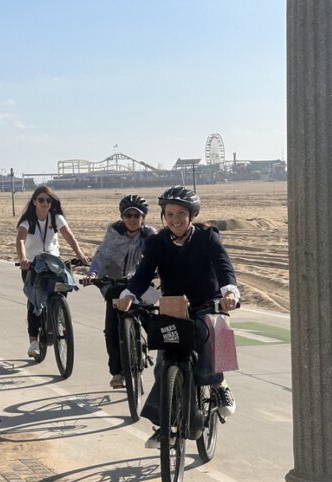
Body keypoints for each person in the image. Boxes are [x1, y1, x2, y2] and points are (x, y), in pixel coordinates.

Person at [114, 186, 239, 448]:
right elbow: (144, 273)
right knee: (164, 362)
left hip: (207, 300)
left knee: (215, 329)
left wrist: (229, 292)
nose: (175, 219)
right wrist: (129, 294)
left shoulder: (207, 236)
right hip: (173, 305)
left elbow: (223, 265)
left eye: (181, 213)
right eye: (169, 214)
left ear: (192, 215)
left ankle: (220, 385)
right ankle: (163, 427)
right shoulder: (157, 243)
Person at [80, 195, 158, 388]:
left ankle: (166, 362)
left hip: (141, 283)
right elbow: (102, 254)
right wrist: (93, 272)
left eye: (136, 215)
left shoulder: (151, 236)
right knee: (112, 328)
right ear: (122, 217)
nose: (132, 219)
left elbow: (160, 258)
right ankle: (117, 373)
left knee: (155, 320)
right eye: (128, 215)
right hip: (116, 279)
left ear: (144, 217)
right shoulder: (114, 232)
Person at [15, 185, 90, 358]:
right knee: (34, 301)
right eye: (41, 200)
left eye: (48, 200)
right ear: (34, 201)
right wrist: (23, 259)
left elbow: (69, 236)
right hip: (32, 266)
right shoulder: (28, 221)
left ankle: (58, 313)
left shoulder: (55, 218)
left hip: (53, 264)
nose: (45, 203)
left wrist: (80, 254)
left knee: (63, 289)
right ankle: (34, 341)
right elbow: (20, 241)